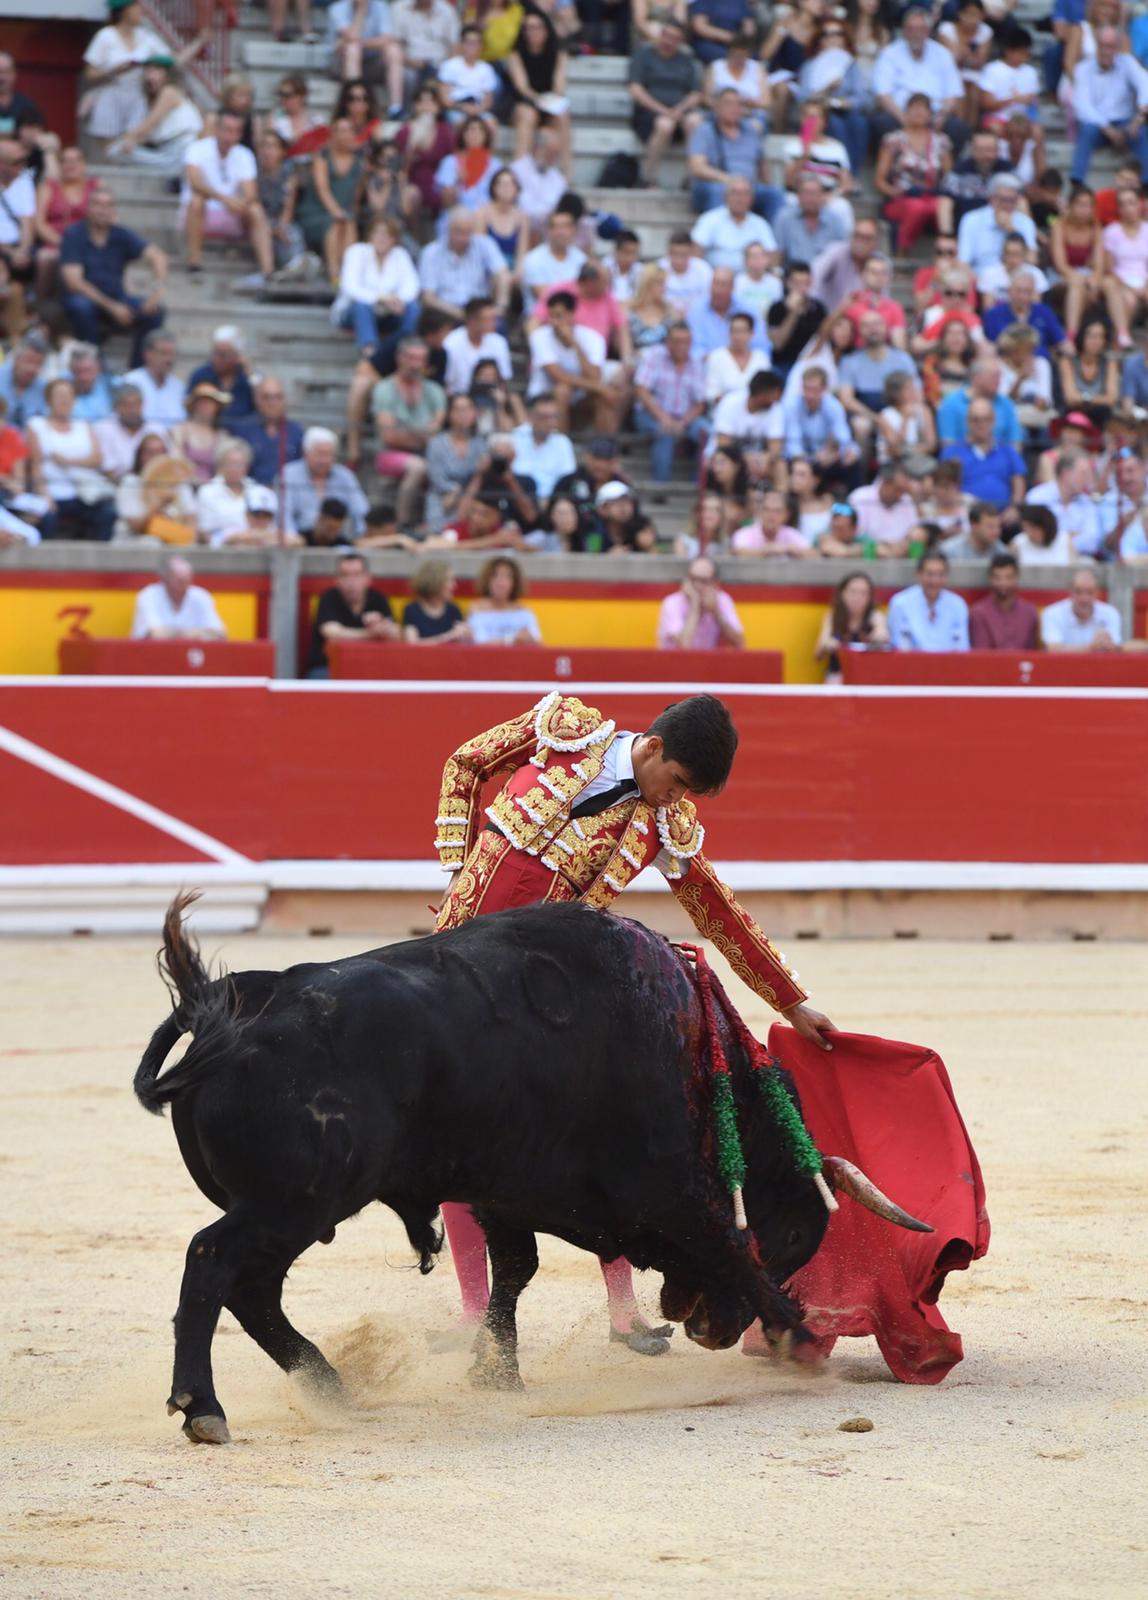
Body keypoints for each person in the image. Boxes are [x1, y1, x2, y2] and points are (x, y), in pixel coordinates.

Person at [432, 691, 832, 1349]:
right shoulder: (561, 732)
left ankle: (622, 1309)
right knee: (462, 1136)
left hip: (545, 993)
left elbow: (715, 909)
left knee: (604, 1128)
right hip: (455, 964)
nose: (676, 800)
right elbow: (464, 765)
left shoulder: (663, 825)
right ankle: (476, 1312)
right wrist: (454, 869)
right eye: (674, 782)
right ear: (651, 748)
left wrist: (790, 999)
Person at [181, 109, 274, 287]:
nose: (229, 135)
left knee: (255, 209)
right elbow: (195, 183)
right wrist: (225, 199)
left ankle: (267, 272)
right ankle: (194, 263)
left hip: (232, 212)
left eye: (234, 131)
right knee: (196, 201)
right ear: (217, 129)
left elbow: (250, 192)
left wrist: (242, 203)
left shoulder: (244, 154)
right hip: (204, 211)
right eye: (226, 129)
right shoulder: (197, 149)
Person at [26, 376, 115, 542]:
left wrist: (67, 461)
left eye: (69, 396)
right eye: (59, 396)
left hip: (83, 494)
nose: (64, 401)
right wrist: (44, 495)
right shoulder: (36, 425)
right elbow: (35, 465)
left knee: (108, 514)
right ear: (49, 400)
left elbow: (97, 459)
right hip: (52, 492)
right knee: (46, 516)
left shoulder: (84, 425)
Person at [871, 5, 968, 156]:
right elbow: (883, 94)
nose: (915, 34)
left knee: (958, 128)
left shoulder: (942, 54)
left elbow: (953, 94)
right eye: (910, 29)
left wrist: (941, 115)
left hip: (935, 115)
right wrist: (905, 120)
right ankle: (893, 173)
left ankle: (944, 174)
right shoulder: (890, 53)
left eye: (920, 29)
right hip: (900, 114)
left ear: (929, 31)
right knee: (882, 123)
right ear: (903, 30)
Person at [687, 89, 784, 221]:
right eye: (729, 104)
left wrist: (766, 184)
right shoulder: (704, 131)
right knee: (719, 192)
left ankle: (771, 240)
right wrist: (728, 179)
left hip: (748, 187)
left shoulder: (752, 130)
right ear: (716, 107)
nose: (735, 108)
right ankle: (720, 239)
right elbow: (696, 167)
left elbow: (762, 163)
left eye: (739, 104)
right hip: (717, 184)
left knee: (775, 194)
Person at [628, 18, 703, 189]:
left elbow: (696, 94)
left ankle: (692, 178)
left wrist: (679, 110)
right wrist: (662, 110)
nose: (669, 41)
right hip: (648, 114)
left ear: (680, 41)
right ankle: (648, 177)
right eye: (667, 35)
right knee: (665, 125)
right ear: (661, 35)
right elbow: (635, 89)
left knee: (696, 121)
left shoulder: (686, 60)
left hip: (679, 113)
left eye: (675, 38)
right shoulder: (643, 55)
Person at [1070, 26, 1148, 187]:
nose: (1105, 51)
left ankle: (1145, 185)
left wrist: (1139, 117)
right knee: (1085, 130)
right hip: (1098, 126)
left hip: (1125, 123)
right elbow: (1083, 106)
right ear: (1096, 46)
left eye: (1110, 46)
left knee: (1141, 132)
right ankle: (1077, 183)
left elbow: (1145, 83)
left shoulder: (1127, 62)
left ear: (1117, 48)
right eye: (1102, 46)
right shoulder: (1083, 68)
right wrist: (1106, 128)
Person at [336, 215, 420, 363]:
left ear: (394, 239)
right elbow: (350, 287)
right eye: (378, 233)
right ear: (370, 235)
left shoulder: (400, 255)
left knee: (413, 307)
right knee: (362, 305)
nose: (382, 238)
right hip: (353, 313)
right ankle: (371, 354)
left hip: (390, 312)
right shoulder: (356, 251)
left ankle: (405, 351)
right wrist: (381, 298)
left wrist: (398, 300)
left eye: (387, 235)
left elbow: (412, 286)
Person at [82, 0, 166, 146]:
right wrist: (115, 70)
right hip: (112, 92)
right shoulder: (105, 36)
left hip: (138, 94)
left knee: (133, 142)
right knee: (108, 146)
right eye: (136, 7)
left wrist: (198, 43)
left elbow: (170, 60)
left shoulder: (145, 36)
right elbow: (89, 73)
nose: (140, 11)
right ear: (124, 11)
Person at [874, 91, 951, 252]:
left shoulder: (941, 141)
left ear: (930, 115)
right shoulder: (893, 139)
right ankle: (902, 250)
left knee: (944, 207)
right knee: (917, 208)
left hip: (930, 195)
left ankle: (945, 253)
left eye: (923, 109)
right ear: (906, 112)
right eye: (914, 108)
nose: (919, 112)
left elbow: (950, 177)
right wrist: (894, 192)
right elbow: (879, 179)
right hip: (902, 197)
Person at [631, 322, 707, 483]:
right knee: (665, 432)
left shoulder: (696, 363)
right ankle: (660, 487)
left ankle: (698, 487)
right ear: (667, 342)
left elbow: (700, 403)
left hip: (685, 418)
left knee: (706, 433)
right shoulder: (654, 356)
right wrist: (664, 418)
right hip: (650, 414)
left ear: (691, 342)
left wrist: (683, 422)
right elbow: (641, 390)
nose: (680, 346)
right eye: (676, 341)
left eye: (685, 341)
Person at [305, 550, 399, 677]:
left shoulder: (378, 598)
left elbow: (395, 631)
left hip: (370, 667)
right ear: (337, 579)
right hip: (328, 667)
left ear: (367, 578)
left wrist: (382, 626)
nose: (351, 581)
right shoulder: (329, 597)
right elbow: (331, 632)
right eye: (345, 575)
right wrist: (371, 634)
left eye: (357, 575)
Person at [836, 310, 917, 453]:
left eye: (877, 324)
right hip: (867, 414)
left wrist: (903, 416)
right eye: (866, 325)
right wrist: (878, 419)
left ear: (886, 328)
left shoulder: (903, 359)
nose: (873, 329)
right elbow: (846, 400)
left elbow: (917, 393)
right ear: (859, 332)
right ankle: (863, 474)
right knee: (861, 426)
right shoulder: (849, 361)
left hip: (899, 412)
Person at [107, 54, 203, 172]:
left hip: (180, 152)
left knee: (116, 151)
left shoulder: (170, 91)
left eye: (157, 71)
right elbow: (149, 136)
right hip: (164, 150)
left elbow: (149, 124)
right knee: (120, 150)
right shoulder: (153, 98)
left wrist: (129, 138)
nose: (150, 76)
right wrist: (131, 141)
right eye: (148, 71)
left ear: (168, 75)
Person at [505, 12, 570, 175]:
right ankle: (519, 172)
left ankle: (565, 174)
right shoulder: (515, 54)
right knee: (528, 115)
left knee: (562, 116)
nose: (532, 32)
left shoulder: (558, 53)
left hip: (549, 104)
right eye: (528, 28)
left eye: (536, 27)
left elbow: (559, 85)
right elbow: (522, 88)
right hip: (524, 104)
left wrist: (550, 101)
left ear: (546, 30)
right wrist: (541, 100)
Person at [418, 207, 510, 321]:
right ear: (449, 230)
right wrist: (461, 315)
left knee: (497, 323)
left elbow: (503, 274)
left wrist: (501, 306)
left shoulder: (485, 244)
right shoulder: (431, 252)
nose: (464, 237)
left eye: (468, 232)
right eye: (459, 232)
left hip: (479, 309)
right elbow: (428, 298)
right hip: (445, 312)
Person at [283, 425, 370, 541]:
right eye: (320, 454)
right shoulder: (288, 474)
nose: (324, 460)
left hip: (337, 540)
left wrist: (363, 536)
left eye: (329, 455)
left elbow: (361, 511)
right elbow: (284, 514)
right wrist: (292, 540)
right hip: (300, 540)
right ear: (305, 454)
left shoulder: (345, 476)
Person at [942, 399, 1027, 511]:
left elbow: (1019, 482)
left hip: (1004, 516)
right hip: (967, 513)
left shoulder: (1007, 450)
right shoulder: (952, 452)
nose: (981, 425)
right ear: (967, 421)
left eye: (986, 419)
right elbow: (944, 487)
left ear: (994, 421)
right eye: (975, 420)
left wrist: (1014, 509)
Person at [227, 375, 304, 489]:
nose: (272, 403)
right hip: (251, 496)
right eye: (266, 397)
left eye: (278, 397)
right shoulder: (243, 431)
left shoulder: (297, 432)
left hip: (286, 497)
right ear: (257, 400)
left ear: (284, 400)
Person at [691, 175, 779, 274]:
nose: (740, 199)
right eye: (735, 193)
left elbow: (772, 255)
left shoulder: (760, 223)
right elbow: (696, 253)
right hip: (717, 280)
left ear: (752, 199)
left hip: (749, 281)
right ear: (725, 197)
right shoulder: (709, 219)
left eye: (745, 194)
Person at [783, 365, 858, 478]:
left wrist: (841, 453)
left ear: (824, 388)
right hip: (801, 458)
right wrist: (809, 459)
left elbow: (843, 437)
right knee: (794, 464)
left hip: (827, 456)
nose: (809, 395)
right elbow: (793, 443)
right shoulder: (791, 405)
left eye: (814, 389)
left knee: (854, 460)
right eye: (806, 388)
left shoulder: (834, 406)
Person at [887, 550, 970, 651]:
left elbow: (962, 649)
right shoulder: (900, 603)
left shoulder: (958, 605)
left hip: (949, 665)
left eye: (941, 574)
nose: (935, 580)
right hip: (911, 665)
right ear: (918, 575)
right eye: (930, 574)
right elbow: (898, 647)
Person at [814, 571, 888, 682]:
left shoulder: (875, 615)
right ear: (842, 593)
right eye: (853, 592)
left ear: (870, 597)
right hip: (837, 676)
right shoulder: (833, 615)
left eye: (863, 593)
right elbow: (817, 656)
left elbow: (883, 635)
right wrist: (827, 644)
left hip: (867, 677)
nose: (857, 598)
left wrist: (880, 636)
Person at [657, 554, 744, 649]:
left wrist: (716, 612)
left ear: (715, 583)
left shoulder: (722, 600)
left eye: (704, 581)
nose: (697, 586)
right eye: (693, 579)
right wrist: (695, 606)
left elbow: (739, 642)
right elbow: (684, 646)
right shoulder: (672, 603)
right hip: (674, 662)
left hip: (708, 662)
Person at [956, 172, 1037, 274]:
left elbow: (1032, 260)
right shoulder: (971, 220)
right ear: (991, 199)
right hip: (980, 279)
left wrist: (1012, 231)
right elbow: (963, 262)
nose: (1007, 205)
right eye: (1003, 200)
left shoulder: (1025, 222)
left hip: (1016, 281)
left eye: (1012, 200)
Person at [131, 554, 226, 639]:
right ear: (165, 579)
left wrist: (173, 633)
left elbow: (219, 634)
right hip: (152, 655)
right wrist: (197, 634)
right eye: (179, 580)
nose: (184, 585)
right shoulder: (149, 595)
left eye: (186, 580)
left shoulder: (201, 596)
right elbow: (153, 634)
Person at [391, 0, 461, 112]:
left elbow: (455, 46)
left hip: (440, 64)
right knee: (407, 75)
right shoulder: (399, 8)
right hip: (409, 63)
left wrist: (448, 69)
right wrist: (410, 61)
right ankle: (405, 112)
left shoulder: (447, 10)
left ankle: (444, 115)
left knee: (449, 76)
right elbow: (394, 43)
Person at [981, 272, 1069, 361]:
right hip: (1005, 362)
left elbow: (1061, 341)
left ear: (1033, 293)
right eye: (1019, 291)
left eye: (1027, 291)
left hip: (1039, 361)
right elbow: (990, 344)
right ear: (1009, 291)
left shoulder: (1044, 312)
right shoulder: (993, 314)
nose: (1022, 296)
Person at [1102, 184, 1148, 349]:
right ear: (1119, 209)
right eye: (1123, 204)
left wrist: (1144, 286)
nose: (1128, 208)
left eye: (1131, 202)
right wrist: (1129, 286)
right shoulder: (1111, 232)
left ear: (1140, 204)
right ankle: (1121, 337)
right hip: (1120, 280)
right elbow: (1109, 267)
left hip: (1144, 280)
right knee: (1128, 300)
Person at [509, 392, 576, 505]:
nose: (550, 422)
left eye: (554, 417)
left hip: (552, 504)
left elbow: (566, 479)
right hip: (519, 502)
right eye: (544, 417)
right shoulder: (515, 438)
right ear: (531, 416)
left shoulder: (563, 442)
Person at [772, 175, 850, 268]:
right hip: (792, 276)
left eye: (814, 193)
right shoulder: (784, 218)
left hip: (825, 277)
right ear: (798, 196)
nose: (810, 198)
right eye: (806, 193)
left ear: (822, 196)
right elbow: (776, 254)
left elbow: (843, 255)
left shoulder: (835, 220)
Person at [521, 207, 585, 315]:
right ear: (549, 231)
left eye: (566, 226)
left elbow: (587, 292)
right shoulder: (533, 259)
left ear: (573, 230)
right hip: (541, 318)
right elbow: (545, 297)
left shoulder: (581, 258)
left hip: (575, 316)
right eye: (557, 227)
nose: (562, 232)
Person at [443, 297, 513, 396]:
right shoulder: (451, 343)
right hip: (459, 397)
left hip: (491, 397)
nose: (495, 324)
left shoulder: (499, 342)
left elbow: (504, 379)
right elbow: (447, 383)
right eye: (489, 320)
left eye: (494, 319)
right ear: (472, 321)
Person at [967, 552, 1039, 648]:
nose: (1003, 582)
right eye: (997, 577)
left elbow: (1031, 654)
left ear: (1017, 577)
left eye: (1008, 577)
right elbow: (981, 654)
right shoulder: (978, 613)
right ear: (990, 578)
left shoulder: (1029, 612)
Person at [1041, 568, 1123, 650]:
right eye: (1078, 591)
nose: (1084, 598)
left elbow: (1115, 647)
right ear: (1070, 592)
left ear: (1097, 593)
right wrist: (1091, 647)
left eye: (1090, 592)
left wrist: (1107, 645)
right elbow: (1053, 649)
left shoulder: (1110, 613)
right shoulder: (1052, 613)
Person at [467, 555, 541, 645]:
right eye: (495, 576)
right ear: (487, 580)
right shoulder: (476, 610)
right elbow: (476, 645)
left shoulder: (524, 613)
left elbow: (537, 646)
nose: (500, 582)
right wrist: (511, 640)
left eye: (507, 577)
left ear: (515, 582)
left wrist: (530, 640)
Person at [766, 262, 825, 376]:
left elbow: (823, 336)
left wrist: (810, 356)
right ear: (787, 283)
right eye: (797, 283)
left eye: (806, 283)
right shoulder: (776, 308)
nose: (802, 288)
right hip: (784, 364)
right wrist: (793, 313)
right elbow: (778, 344)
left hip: (811, 362)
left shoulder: (818, 308)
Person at [509, 129, 568, 240]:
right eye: (551, 153)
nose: (554, 158)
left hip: (551, 228)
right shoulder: (517, 171)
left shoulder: (558, 178)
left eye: (556, 153)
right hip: (523, 227)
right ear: (536, 148)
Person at [847, 463, 919, 553]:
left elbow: (913, 531)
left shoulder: (906, 500)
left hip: (899, 555)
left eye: (903, 490)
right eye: (898, 489)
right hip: (866, 553)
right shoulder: (860, 497)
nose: (900, 494)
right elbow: (854, 533)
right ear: (885, 483)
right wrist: (880, 546)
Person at [705, 310, 770, 405]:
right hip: (724, 413)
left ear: (751, 334)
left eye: (742, 331)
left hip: (756, 413)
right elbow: (711, 393)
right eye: (734, 331)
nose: (737, 336)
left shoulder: (761, 358)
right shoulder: (716, 357)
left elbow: (766, 390)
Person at [171, 382, 228, 486]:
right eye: (202, 402)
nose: (206, 406)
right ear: (194, 405)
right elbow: (175, 461)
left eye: (210, 402)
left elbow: (223, 469)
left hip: (211, 491)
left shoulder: (221, 435)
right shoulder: (180, 430)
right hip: (183, 486)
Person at [402, 557, 469, 643]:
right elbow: (412, 644)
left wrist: (466, 634)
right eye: (450, 580)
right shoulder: (412, 610)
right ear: (436, 582)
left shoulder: (454, 610)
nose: (454, 585)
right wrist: (449, 636)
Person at [730, 489, 812, 558]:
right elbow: (738, 552)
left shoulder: (791, 533)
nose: (771, 515)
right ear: (759, 512)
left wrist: (795, 551)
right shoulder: (744, 533)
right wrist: (768, 550)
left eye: (777, 511)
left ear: (786, 515)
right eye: (767, 509)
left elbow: (813, 553)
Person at [1011, 502, 1073, 566]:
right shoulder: (1018, 542)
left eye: (1033, 528)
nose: (1029, 533)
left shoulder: (1065, 539)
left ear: (1046, 527)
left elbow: (1074, 569)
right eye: (1025, 529)